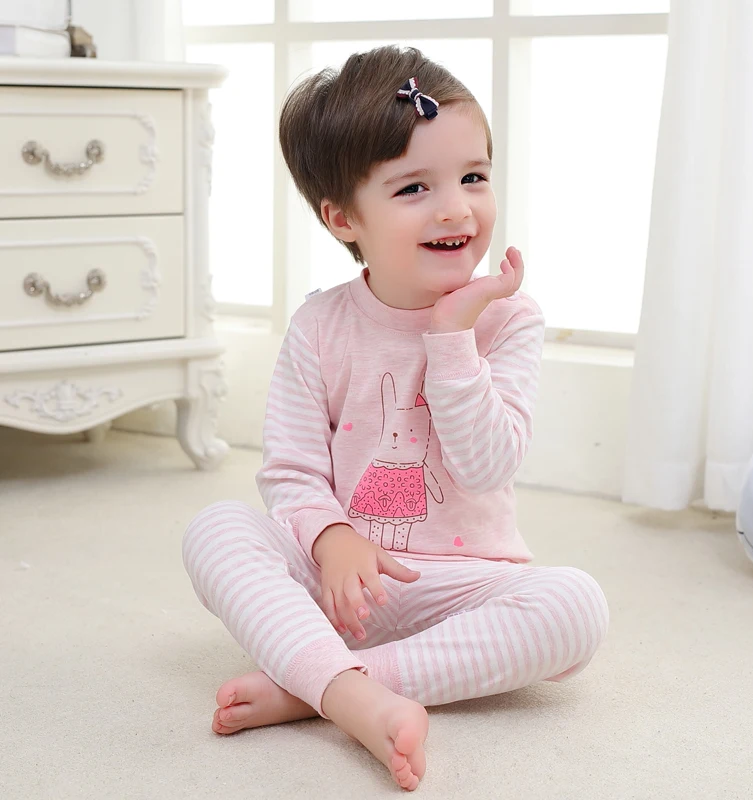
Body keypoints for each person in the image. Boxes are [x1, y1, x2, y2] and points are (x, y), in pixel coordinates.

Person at [182, 44, 609, 792]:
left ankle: (321, 687)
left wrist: (451, 337)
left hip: (463, 587)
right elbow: (290, 473)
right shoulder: (320, 326)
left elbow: (487, 465)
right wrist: (334, 539)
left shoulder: (508, 319)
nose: (456, 208)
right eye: (414, 187)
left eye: (473, 177)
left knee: (575, 606)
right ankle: (342, 685)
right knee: (216, 528)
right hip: (338, 582)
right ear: (343, 217)